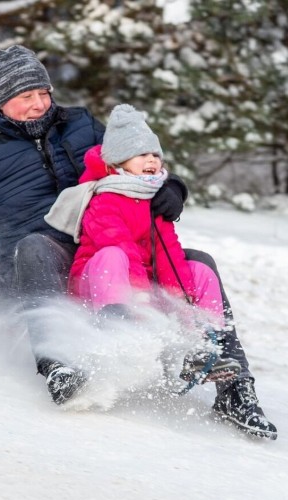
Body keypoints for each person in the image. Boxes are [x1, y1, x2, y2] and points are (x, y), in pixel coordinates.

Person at [0, 45, 277, 439]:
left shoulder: (80, 125)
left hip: (112, 245)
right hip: (42, 259)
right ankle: (59, 366)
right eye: (27, 97)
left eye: (45, 93)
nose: (40, 104)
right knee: (35, 247)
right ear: (2, 101)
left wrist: (173, 188)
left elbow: (136, 158)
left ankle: (234, 386)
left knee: (200, 263)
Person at [44, 103, 243, 388]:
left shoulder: (154, 199)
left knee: (200, 271)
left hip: (141, 289)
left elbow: (167, 254)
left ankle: (205, 341)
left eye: (154, 154)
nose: (151, 160)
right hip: (101, 286)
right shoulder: (104, 199)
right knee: (113, 255)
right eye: (141, 154)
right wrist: (142, 302)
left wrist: (181, 303)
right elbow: (120, 247)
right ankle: (117, 324)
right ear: (117, 162)